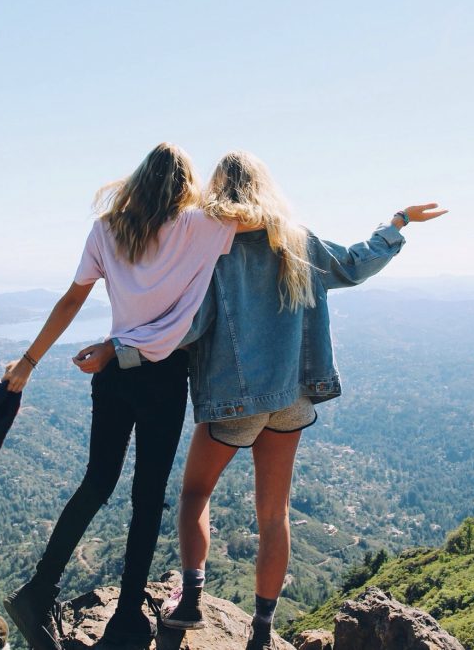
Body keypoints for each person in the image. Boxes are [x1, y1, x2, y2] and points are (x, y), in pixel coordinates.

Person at [137, 151, 447, 650]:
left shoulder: (213, 249)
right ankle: (261, 633)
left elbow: (192, 327)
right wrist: (398, 222)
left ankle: (191, 601)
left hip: (236, 402)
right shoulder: (296, 239)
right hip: (293, 398)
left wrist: (129, 347)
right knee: (273, 514)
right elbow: (354, 265)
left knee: (195, 494)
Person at [1, 143, 251, 650]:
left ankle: (39, 588)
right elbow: (260, 220)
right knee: (147, 498)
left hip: (113, 375)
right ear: (186, 185)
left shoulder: (107, 228)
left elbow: (73, 299)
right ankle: (127, 619)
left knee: (97, 482)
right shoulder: (201, 227)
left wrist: (28, 362)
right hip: (162, 377)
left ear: (137, 181)